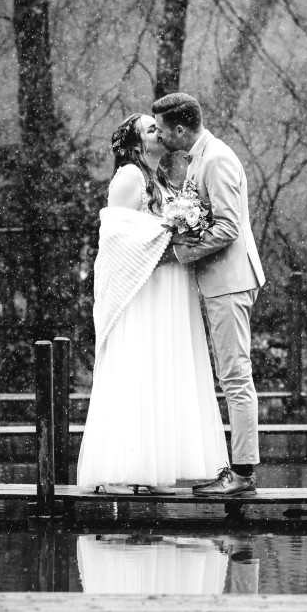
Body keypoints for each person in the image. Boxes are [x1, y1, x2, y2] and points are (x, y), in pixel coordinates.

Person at [77, 112, 228, 494]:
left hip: (169, 291)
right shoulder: (130, 177)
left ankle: (153, 470)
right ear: (137, 143)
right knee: (137, 370)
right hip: (142, 291)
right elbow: (116, 239)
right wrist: (168, 236)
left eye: (158, 127)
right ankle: (119, 472)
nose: (158, 132)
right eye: (150, 129)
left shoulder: (162, 178)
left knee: (161, 374)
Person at [152, 92, 266, 497]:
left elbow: (230, 227)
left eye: (162, 129)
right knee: (232, 375)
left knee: (235, 377)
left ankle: (243, 475)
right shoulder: (201, 157)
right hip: (221, 280)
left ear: (180, 128)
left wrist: (184, 251)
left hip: (230, 281)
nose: (161, 137)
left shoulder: (216, 159)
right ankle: (238, 471)